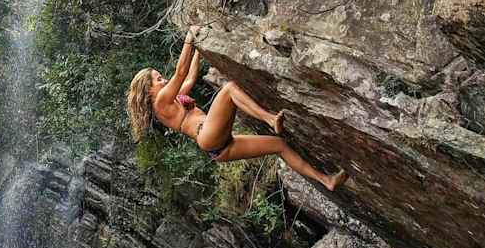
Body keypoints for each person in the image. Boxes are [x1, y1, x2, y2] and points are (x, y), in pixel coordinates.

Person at [126, 27, 348, 191]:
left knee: (280, 145)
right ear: (149, 91)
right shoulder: (160, 102)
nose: (163, 80)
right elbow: (181, 70)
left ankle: (326, 180)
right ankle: (270, 120)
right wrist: (190, 36)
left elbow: (191, 76)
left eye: (160, 77)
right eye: (157, 79)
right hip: (207, 136)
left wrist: (200, 48)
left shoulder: (172, 98)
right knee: (229, 89)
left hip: (218, 148)